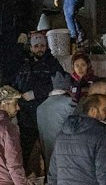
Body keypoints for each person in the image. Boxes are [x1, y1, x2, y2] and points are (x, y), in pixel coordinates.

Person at [13, 33, 67, 172]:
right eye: (36, 46)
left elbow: (60, 84)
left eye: (42, 45)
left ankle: (52, 181)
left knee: (50, 151)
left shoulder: (52, 64)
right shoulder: (23, 65)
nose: (40, 49)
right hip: (26, 117)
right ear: (31, 48)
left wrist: (35, 94)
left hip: (46, 116)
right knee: (24, 151)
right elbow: (15, 85)